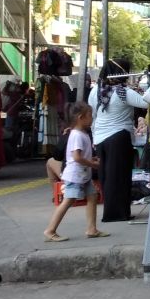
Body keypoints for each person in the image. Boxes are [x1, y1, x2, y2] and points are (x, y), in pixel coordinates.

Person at [89, 59, 150, 223]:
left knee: (107, 175)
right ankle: (118, 213)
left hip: (100, 138)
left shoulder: (96, 90)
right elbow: (147, 103)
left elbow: (93, 115)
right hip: (119, 137)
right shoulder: (123, 92)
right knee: (119, 176)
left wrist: (93, 136)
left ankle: (111, 210)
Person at [43, 102, 107, 242]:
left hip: (82, 175)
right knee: (68, 201)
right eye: (90, 115)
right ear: (80, 117)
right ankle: (50, 230)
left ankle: (92, 229)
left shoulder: (80, 133)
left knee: (93, 196)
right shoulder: (77, 135)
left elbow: (81, 155)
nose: (92, 118)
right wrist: (93, 164)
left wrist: (91, 159)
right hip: (76, 175)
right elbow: (77, 157)